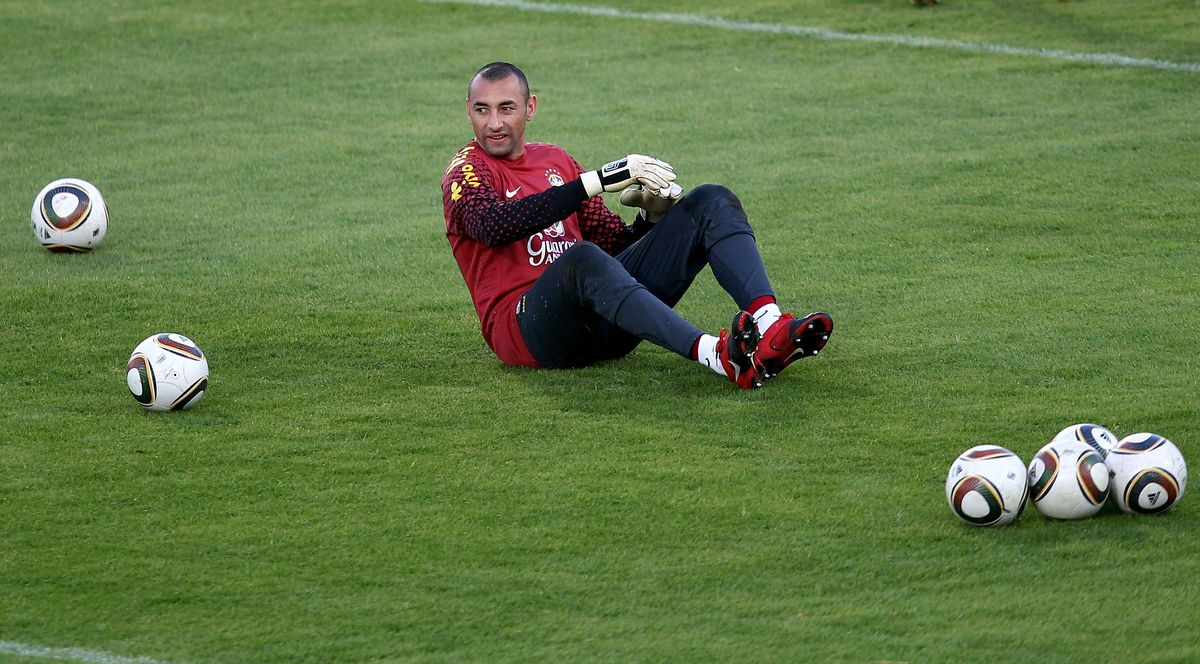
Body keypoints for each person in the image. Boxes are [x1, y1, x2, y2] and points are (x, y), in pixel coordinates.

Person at [440, 62, 832, 389]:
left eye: (506, 108)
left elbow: (614, 250)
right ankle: (718, 355)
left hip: (603, 323)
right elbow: (491, 225)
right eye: (482, 109)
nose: (494, 122)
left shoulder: (555, 160)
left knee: (711, 200)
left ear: (530, 108)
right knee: (581, 259)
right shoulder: (466, 171)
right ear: (468, 110)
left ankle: (769, 327)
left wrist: (652, 218)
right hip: (528, 333)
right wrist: (595, 181)